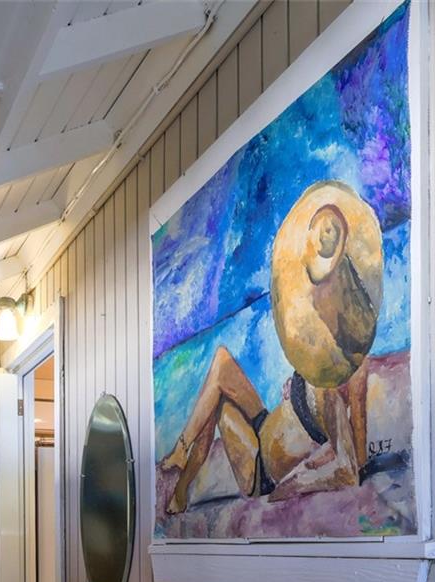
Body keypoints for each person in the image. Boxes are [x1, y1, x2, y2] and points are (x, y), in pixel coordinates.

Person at [163, 181, 383, 515]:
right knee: (221, 360)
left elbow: (353, 465)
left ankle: (181, 482)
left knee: (217, 403)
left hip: (260, 467)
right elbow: (349, 451)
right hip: (265, 425)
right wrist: (296, 394)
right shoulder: (320, 357)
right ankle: (181, 463)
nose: (317, 294)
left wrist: (298, 480)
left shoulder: (340, 377)